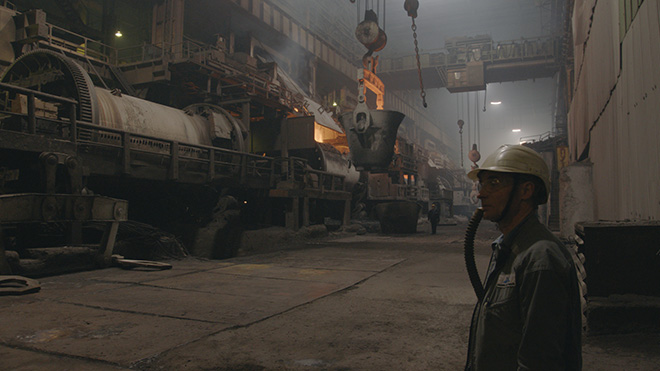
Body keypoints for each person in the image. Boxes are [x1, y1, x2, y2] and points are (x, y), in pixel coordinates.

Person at [464, 144, 582, 370]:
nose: (481, 193)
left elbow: (539, 361)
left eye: (494, 183)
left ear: (526, 191)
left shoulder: (541, 260)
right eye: (482, 183)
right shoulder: (509, 248)